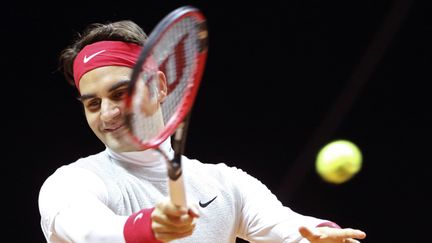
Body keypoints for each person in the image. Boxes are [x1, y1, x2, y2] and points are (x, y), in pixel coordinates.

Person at [38, 19, 367, 243]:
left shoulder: (225, 184)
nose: (107, 113)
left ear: (160, 86)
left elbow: (283, 225)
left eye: (120, 94)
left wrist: (319, 234)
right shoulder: (70, 184)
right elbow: (91, 230)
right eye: (92, 104)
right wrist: (148, 226)